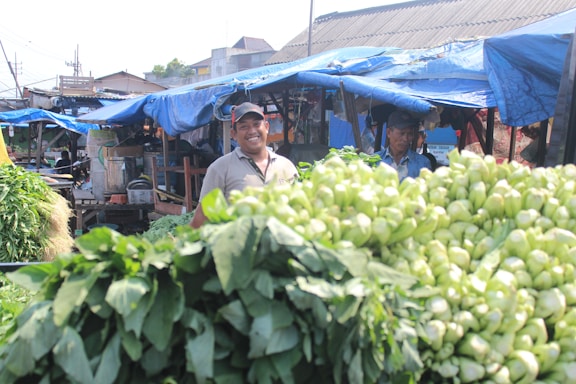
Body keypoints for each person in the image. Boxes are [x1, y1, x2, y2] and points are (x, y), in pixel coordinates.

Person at [190, 102, 299, 228]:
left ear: (267, 127)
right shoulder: (220, 169)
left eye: (257, 124)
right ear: (234, 134)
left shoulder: (287, 166)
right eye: (244, 127)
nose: (252, 131)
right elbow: (200, 220)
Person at [375, 110, 432, 181]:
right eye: (401, 133)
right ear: (389, 132)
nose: (405, 139)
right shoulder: (374, 161)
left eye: (410, 134)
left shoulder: (422, 164)